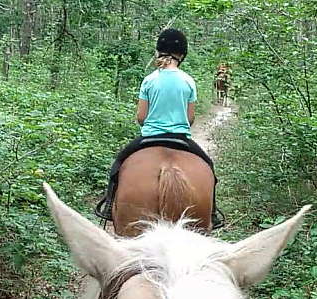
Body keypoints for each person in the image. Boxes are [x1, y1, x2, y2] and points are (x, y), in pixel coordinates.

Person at [95, 28, 222, 228]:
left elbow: (141, 117)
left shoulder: (149, 80)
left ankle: (110, 204)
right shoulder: (188, 81)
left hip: (149, 137)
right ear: (182, 54)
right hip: (181, 137)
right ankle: (213, 213)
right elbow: (190, 119)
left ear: (160, 51)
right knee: (209, 169)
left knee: (118, 165)